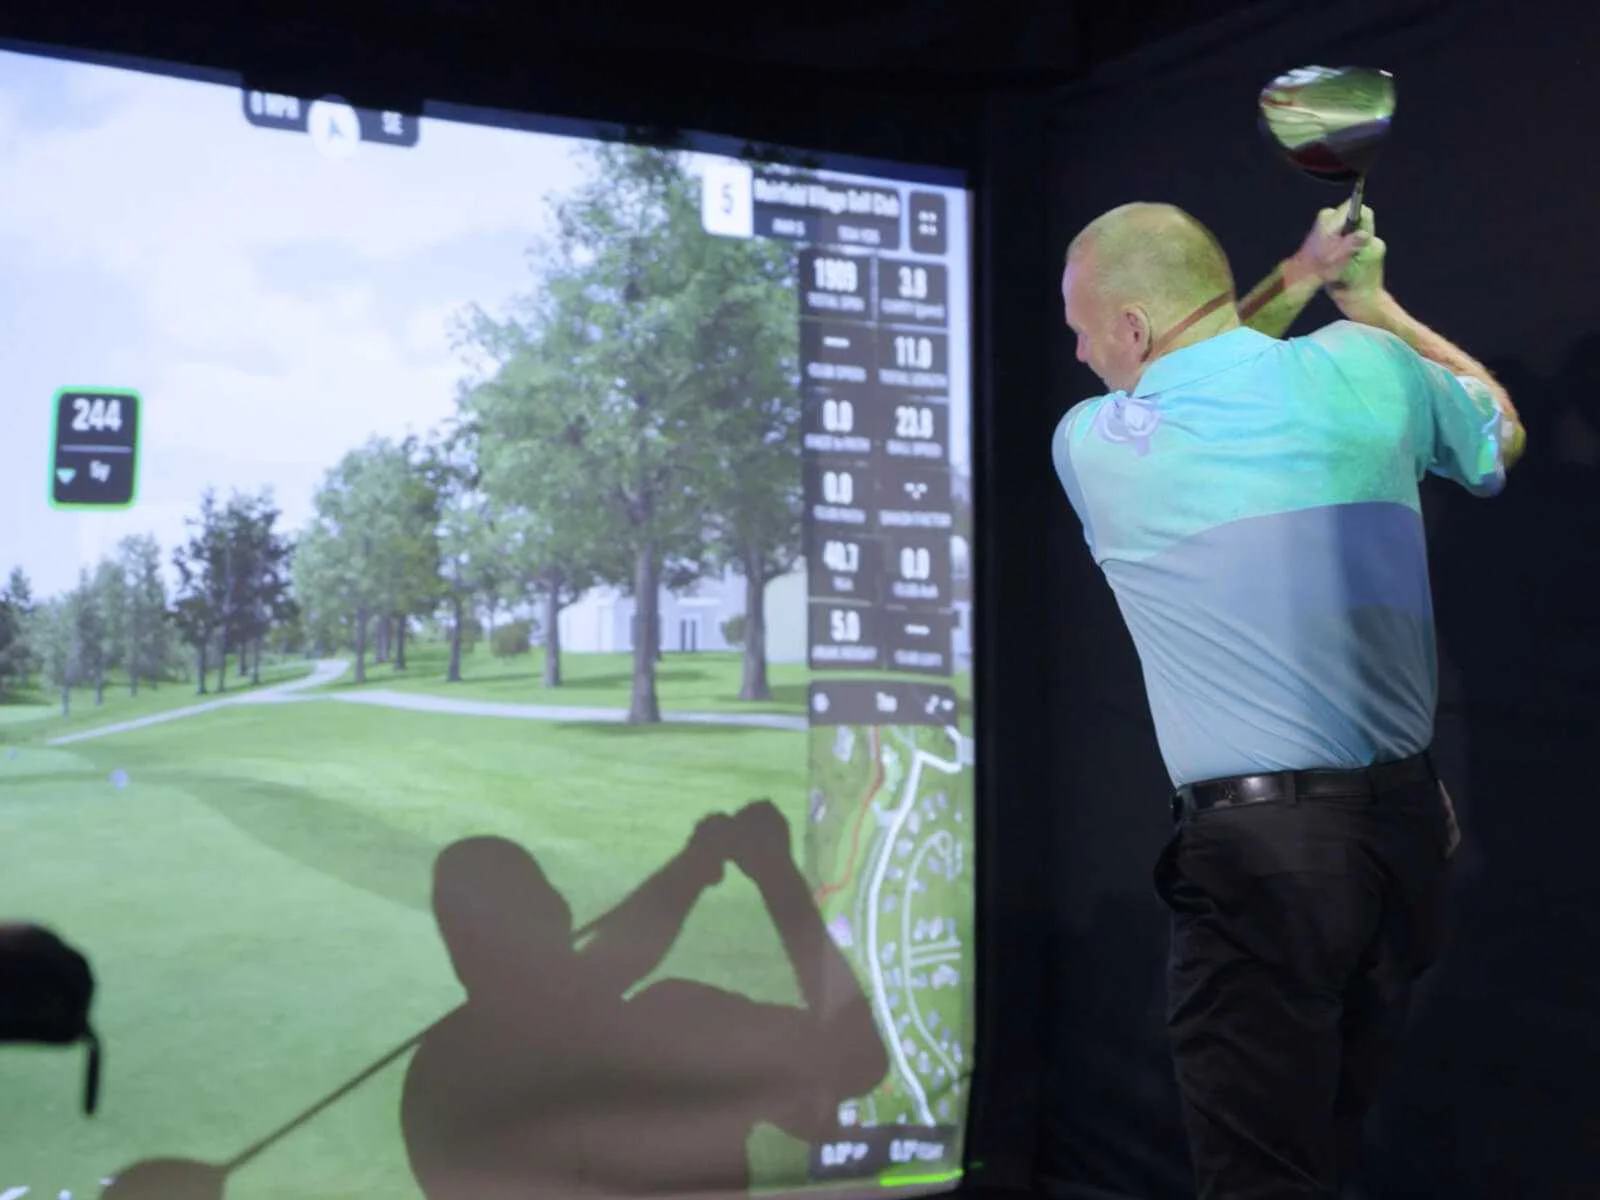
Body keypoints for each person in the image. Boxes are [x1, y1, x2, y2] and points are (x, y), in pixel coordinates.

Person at [1051, 202, 1525, 1199]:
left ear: (1130, 330)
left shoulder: (1098, 442)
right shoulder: (1368, 366)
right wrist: (1368, 301)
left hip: (1263, 868)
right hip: (1403, 845)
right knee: (1327, 1153)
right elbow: (1497, 432)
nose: (1079, 349)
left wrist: (1297, 279)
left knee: (1260, 1177)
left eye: (1083, 325)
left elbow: (1214, 360)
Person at [400, 799, 889, 1200]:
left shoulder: (435, 1082)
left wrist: (693, 866)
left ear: (455, 949)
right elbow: (859, 1059)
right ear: (560, 913)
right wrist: (778, 879)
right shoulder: (677, 1028)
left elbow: (595, 973)